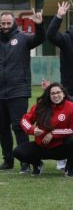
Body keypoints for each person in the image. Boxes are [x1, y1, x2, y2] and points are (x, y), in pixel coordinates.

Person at [0, 9, 44, 172]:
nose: (5, 26)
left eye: (8, 23)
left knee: (19, 126)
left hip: (18, 90)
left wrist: (39, 25)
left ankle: (25, 160)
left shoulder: (23, 38)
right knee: (2, 128)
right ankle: (8, 160)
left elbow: (40, 38)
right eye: (2, 23)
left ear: (14, 23)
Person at [13, 83, 73, 176]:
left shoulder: (72, 107)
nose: (56, 95)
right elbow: (24, 119)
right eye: (52, 93)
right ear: (48, 96)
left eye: (58, 92)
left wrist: (53, 133)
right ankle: (37, 165)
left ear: (64, 94)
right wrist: (32, 129)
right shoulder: (41, 105)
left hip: (61, 147)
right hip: (41, 146)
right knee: (18, 152)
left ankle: (69, 169)